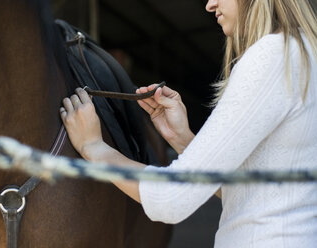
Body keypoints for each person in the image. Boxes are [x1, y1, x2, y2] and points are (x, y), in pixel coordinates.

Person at [59, 0, 317, 247]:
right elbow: (248, 195)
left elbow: (172, 199)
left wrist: (95, 148)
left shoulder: (271, 55)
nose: (210, 5)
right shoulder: (302, 57)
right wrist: (183, 139)